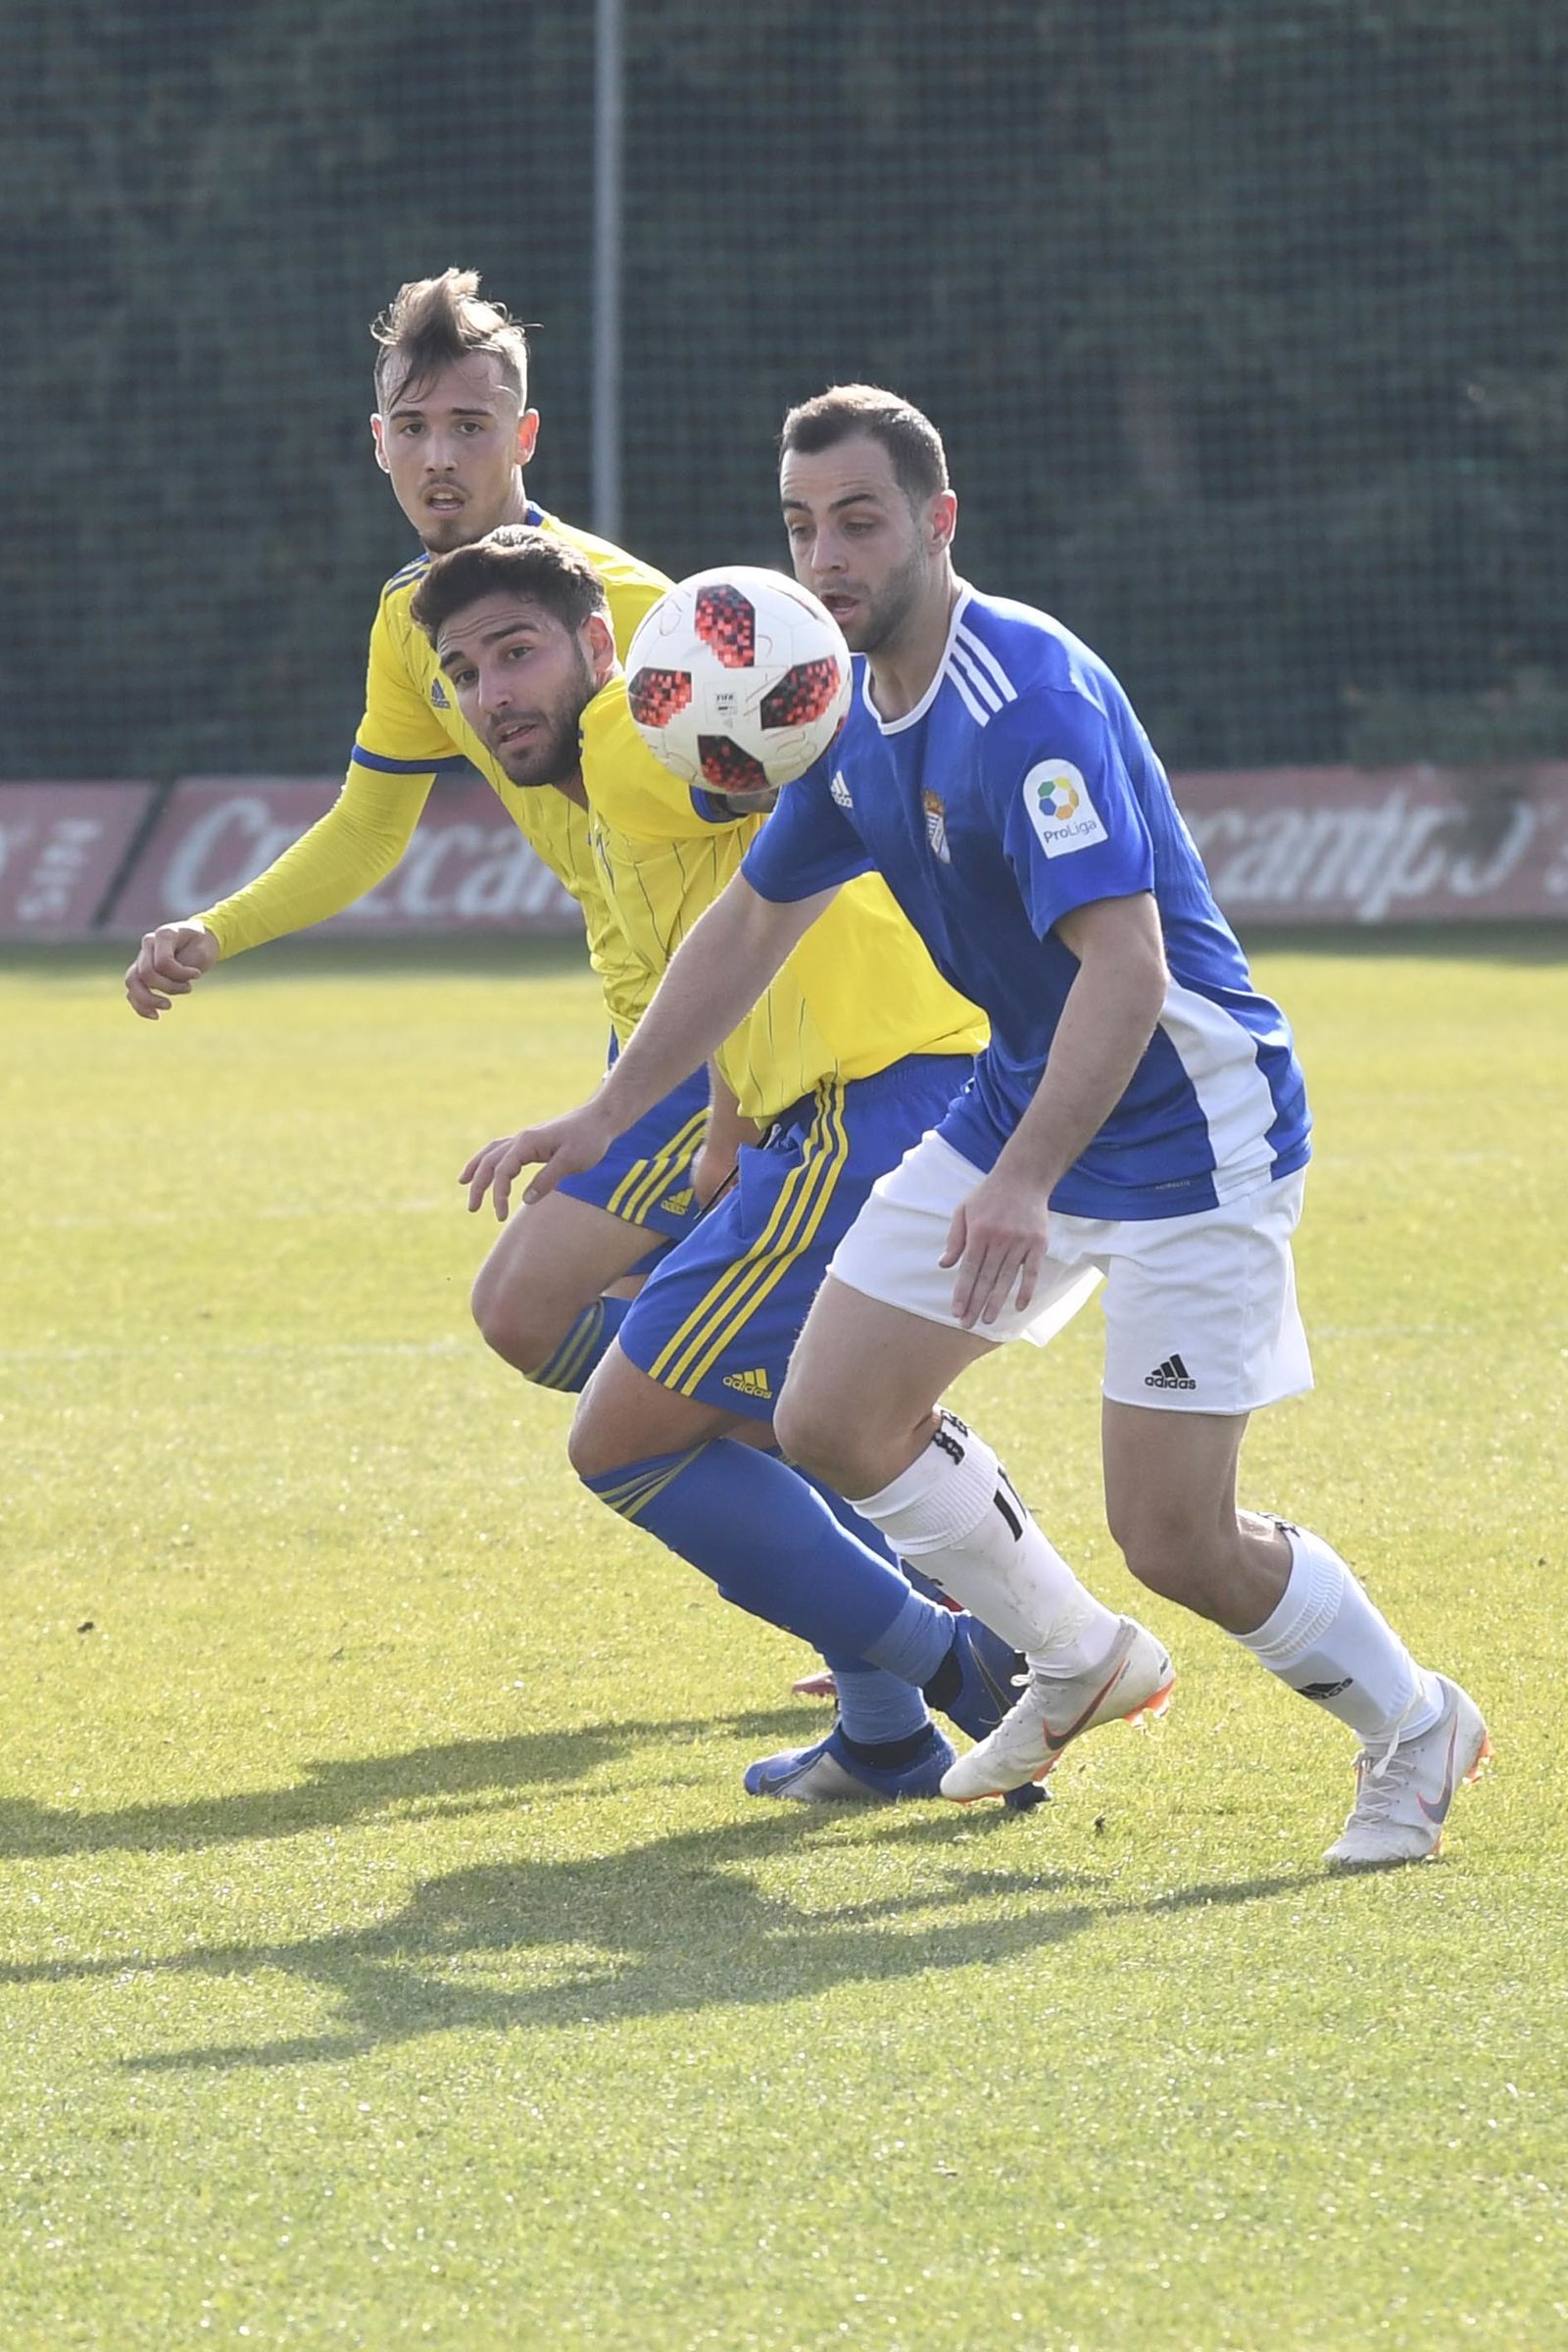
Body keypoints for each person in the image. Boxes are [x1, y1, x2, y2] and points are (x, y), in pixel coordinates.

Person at [466, 386, 1489, 1867]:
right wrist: (610, 1107)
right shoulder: (846, 724)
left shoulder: (1028, 703)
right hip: (1027, 1095)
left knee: (1179, 1536)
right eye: (803, 527)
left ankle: (1416, 1724)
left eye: (861, 522)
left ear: (939, 523)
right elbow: (750, 927)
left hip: (1188, 1128)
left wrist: (1019, 1184)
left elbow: (1129, 972)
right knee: (829, 1416)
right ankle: (1074, 1656)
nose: (827, 559)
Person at [417, 524, 1169, 1800]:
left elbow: (746, 777)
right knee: (754, 1414)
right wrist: (724, 1125)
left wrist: (796, 721)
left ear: (603, 653)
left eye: (518, 652)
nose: (494, 693)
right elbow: (725, 943)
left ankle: (969, 1664)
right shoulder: (610, 786)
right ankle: (888, 1715)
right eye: (465, 670)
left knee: (631, 1439)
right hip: (834, 1112)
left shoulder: (631, 744)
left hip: (874, 1105)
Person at [122, 268, 713, 1402]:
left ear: (524, 435)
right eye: (413, 427)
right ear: (378, 444)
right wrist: (217, 927)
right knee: (658, 1353)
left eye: (469, 426)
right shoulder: (412, 621)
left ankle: (901, 1499)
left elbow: (777, 808)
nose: (440, 455)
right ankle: (886, 1489)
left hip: (731, 1018)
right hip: (641, 1021)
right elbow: (368, 824)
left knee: (554, 1324)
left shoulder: (630, 611)